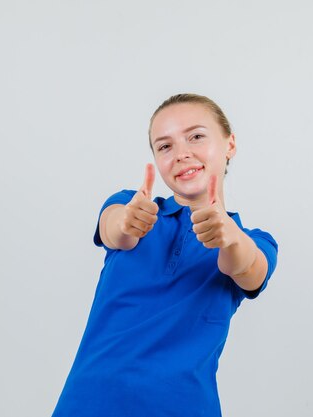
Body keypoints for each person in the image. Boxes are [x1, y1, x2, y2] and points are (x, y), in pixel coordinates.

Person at [52, 93, 278, 417]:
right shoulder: (131, 205)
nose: (182, 154)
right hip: (88, 404)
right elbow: (115, 229)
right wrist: (127, 222)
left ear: (229, 144)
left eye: (196, 136)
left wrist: (229, 238)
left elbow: (247, 267)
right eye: (165, 146)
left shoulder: (255, 242)